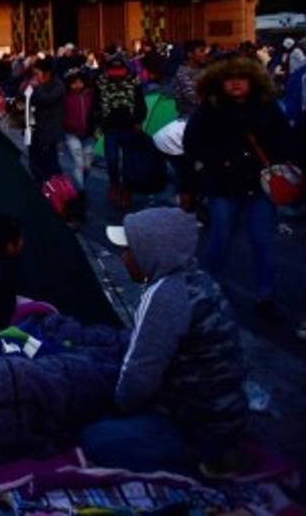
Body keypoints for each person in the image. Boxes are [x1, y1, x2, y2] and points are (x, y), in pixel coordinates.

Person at [83, 208, 247, 475]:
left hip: (194, 427)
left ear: (150, 253)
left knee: (95, 437)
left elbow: (137, 383)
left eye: (129, 250)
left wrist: (114, 408)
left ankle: (198, 462)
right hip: (226, 416)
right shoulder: (201, 280)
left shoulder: (165, 295)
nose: (123, 257)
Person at [183, 56, 292, 318]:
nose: (234, 84)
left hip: (260, 186)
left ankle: (266, 295)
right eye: (228, 79)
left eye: (240, 78)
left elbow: (285, 141)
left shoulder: (267, 107)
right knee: (220, 238)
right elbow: (192, 142)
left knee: (262, 240)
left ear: (252, 80)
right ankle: (204, 291)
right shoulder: (209, 109)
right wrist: (206, 168)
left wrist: (279, 166)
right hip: (222, 185)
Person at [92, 54, 146, 207]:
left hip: (129, 126)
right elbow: (96, 104)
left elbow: (140, 102)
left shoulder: (134, 82)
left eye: (119, 69)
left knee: (129, 161)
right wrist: (98, 123)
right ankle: (114, 185)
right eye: (113, 69)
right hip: (110, 127)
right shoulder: (100, 82)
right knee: (112, 160)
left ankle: (127, 189)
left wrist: (138, 120)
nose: (116, 73)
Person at [24, 58, 65, 183]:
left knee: (50, 165)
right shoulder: (35, 84)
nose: (35, 76)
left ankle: (59, 192)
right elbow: (24, 99)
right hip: (33, 129)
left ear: (47, 73)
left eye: (37, 73)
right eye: (34, 73)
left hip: (48, 132)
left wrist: (37, 87)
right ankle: (41, 189)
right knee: (34, 164)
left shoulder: (58, 85)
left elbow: (47, 100)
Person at [62, 70, 96, 192]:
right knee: (78, 163)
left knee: (87, 165)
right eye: (74, 83)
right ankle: (80, 191)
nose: (77, 85)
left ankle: (80, 185)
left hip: (89, 134)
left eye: (80, 82)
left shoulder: (90, 94)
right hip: (71, 133)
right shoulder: (65, 96)